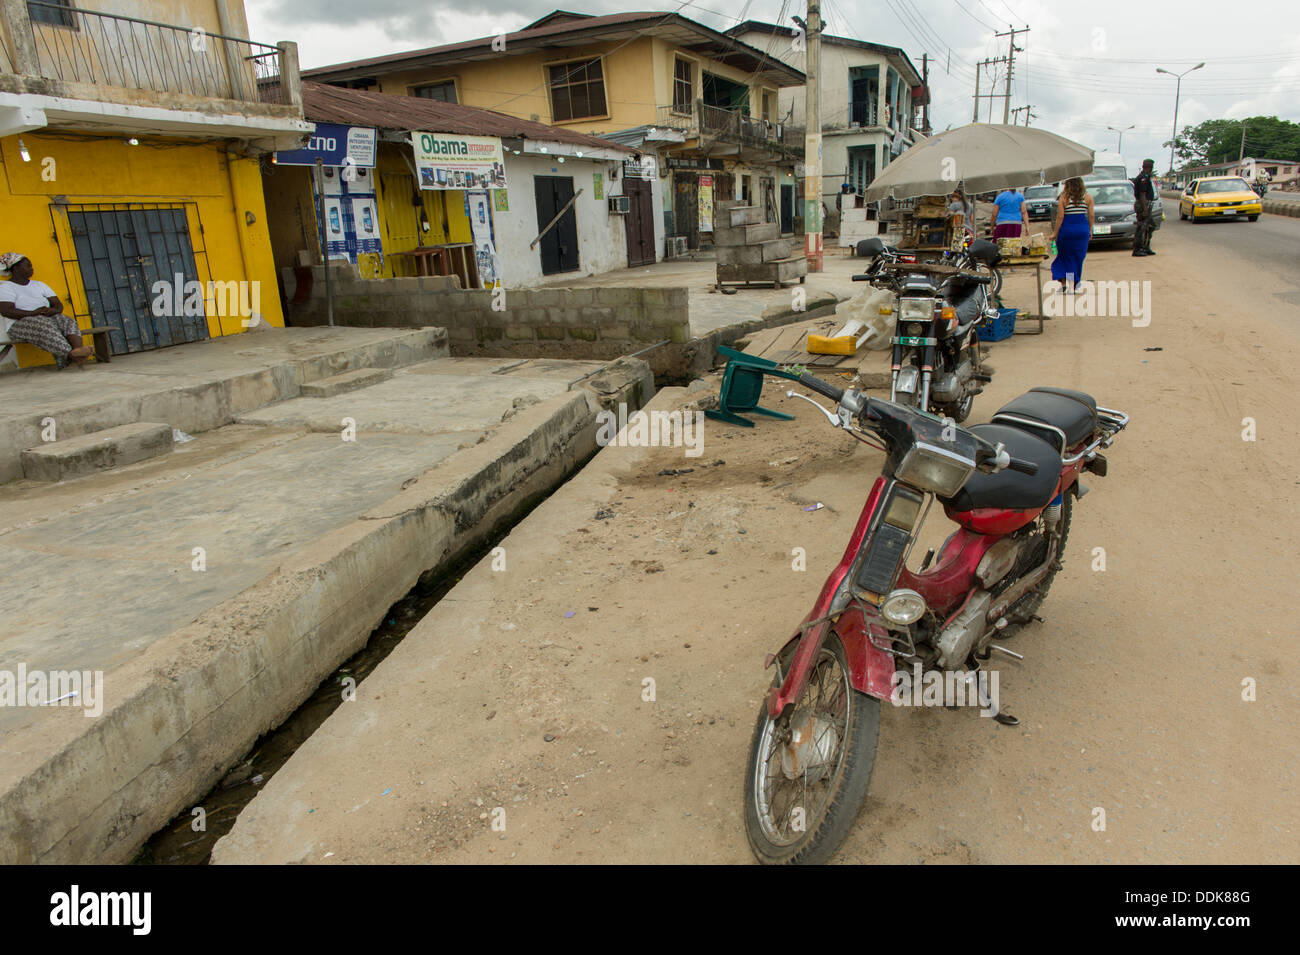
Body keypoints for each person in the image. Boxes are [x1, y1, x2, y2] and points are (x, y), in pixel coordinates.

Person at [0, 253, 92, 368]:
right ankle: (71, 355)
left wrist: (49, 311)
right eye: (28, 266)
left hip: (46, 318)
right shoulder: (6, 288)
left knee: (66, 320)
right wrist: (33, 313)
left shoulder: (39, 285)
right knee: (42, 323)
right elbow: (6, 311)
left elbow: (58, 306)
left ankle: (78, 350)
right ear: (15, 268)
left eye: (31, 266)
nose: (31, 269)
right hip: (18, 325)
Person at [1050, 177, 1093, 292]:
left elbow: (1060, 217)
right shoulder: (1088, 197)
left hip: (1066, 231)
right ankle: (1072, 284)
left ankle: (1065, 283)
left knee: (1065, 257)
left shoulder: (1064, 198)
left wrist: (1055, 233)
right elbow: (1091, 216)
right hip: (1082, 231)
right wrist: (1090, 230)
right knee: (1077, 258)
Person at [1131, 159, 1157, 257]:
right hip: (1142, 205)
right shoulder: (1143, 178)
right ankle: (1137, 249)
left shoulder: (1145, 177)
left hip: (1144, 205)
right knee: (1142, 227)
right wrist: (1145, 209)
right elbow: (1142, 195)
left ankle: (1145, 246)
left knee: (1148, 226)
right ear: (1149, 167)